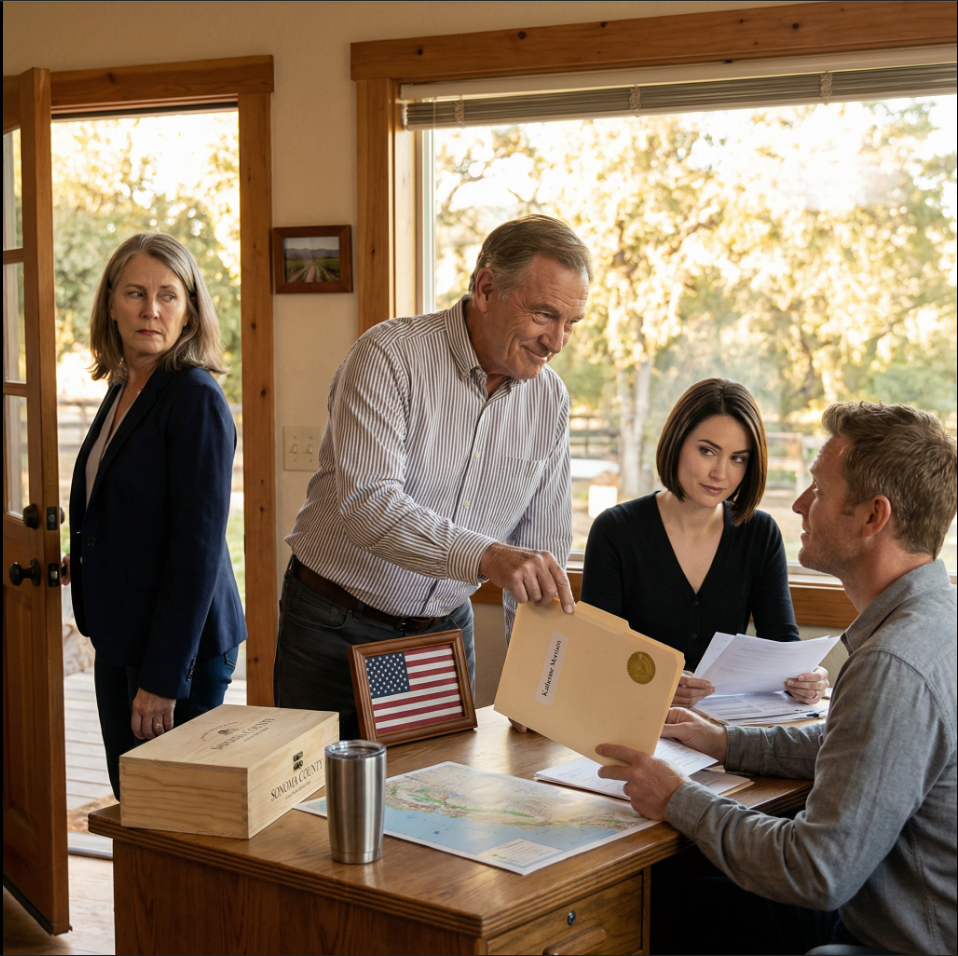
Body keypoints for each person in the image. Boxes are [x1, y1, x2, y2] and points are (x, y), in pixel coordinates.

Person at [597, 401, 957, 956]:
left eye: (818, 487)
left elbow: (815, 872)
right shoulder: (939, 618)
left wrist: (678, 798)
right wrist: (723, 741)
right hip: (891, 910)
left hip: (899, 940)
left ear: (871, 517)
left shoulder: (893, 664)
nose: (799, 504)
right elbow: (861, 749)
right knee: (700, 902)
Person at [275, 215, 591, 737]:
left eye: (571, 323)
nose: (556, 341)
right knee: (318, 807)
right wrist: (487, 556)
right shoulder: (388, 357)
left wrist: (533, 685)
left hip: (441, 634)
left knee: (438, 800)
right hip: (335, 623)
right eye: (544, 315)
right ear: (487, 288)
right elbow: (369, 506)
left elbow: (540, 548)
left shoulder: (550, 399)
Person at [64, 233, 246, 798]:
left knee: (170, 814)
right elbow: (133, 505)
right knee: (134, 798)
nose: (151, 310)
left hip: (176, 653)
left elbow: (196, 552)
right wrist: (92, 555)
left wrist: (164, 680)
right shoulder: (126, 385)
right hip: (123, 633)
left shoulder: (194, 398)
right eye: (135, 293)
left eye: (168, 295)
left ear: (189, 309)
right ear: (111, 305)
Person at [581, 379, 827, 707]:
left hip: (723, 728)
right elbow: (597, 653)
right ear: (677, 441)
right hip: (632, 716)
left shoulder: (760, 533)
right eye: (707, 451)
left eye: (738, 458)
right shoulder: (614, 531)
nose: (720, 473)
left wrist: (807, 678)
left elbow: (781, 646)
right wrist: (659, 681)